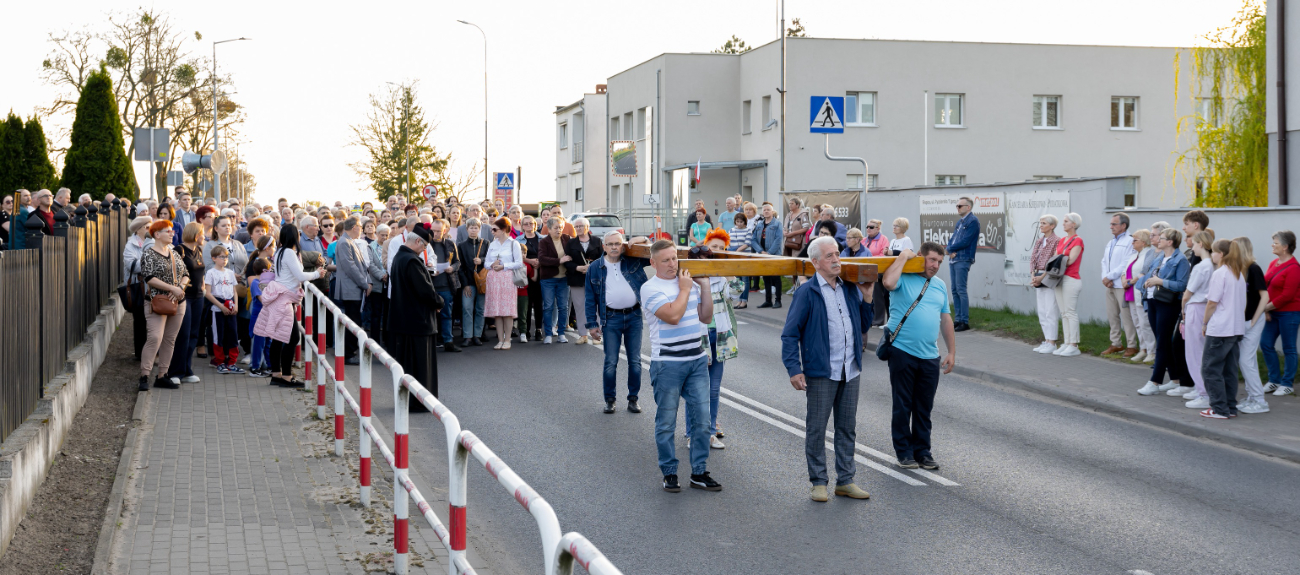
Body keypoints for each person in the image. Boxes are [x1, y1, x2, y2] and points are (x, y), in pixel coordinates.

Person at [782, 235, 874, 501]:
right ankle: (819, 481)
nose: (837, 260)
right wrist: (794, 369)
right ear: (815, 262)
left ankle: (845, 480)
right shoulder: (807, 292)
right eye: (830, 256)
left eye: (838, 254)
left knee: (847, 428)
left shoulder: (848, 288)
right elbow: (790, 335)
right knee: (817, 427)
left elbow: (863, 326)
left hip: (850, 369)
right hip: (822, 371)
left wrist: (867, 298)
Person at [640, 240, 721, 493]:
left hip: (696, 359)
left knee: (703, 420)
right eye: (665, 260)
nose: (672, 264)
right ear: (653, 263)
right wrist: (685, 289)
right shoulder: (649, 288)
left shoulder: (687, 282)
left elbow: (705, 317)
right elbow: (673, 316)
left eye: (674, 258)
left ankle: (699, 472)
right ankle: (670, 472)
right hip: (668, 363)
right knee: (666, 421)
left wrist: (704, 286)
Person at [881, 243, 956, 471]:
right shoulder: (903, 275)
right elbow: (888, 283)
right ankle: (904, 452)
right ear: (920, 257)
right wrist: (904, 256)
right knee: (903, 405)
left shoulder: (940, 285)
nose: (935, 266)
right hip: (902, 351)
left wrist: (951, 351)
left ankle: (923, 451)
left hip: (930, 356)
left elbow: (945, 319)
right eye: (932, 260)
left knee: (924, 407)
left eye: (939, 262)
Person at [685, 231, 743, 450]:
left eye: (719, 250)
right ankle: (692, 433)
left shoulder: (720, 277)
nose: (707, 260)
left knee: (713, 389)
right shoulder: (687, 279)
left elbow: (736, 292)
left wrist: (728, 272)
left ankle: (709, 432)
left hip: (719, 337)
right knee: (695, 388)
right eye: (712, 248)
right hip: (697, 337)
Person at [586, 232, 651, 414]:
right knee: (611, 361)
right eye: (610, 244)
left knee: (635, 361)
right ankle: (610, 399)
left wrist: (639, 240)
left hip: (634, 317)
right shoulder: (595, 268)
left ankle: (633, 399)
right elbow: (590, 298)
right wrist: (592, 324)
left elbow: (654, 251)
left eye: (618, 244)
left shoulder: (632, 260)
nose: (614, 247)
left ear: (622, 246)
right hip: (611, 319)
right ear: (604, 247)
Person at [256, 224, 321, 388]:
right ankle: (286, 376)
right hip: (284, 297)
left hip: (280, 296)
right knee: (292, 338)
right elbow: (299, 275)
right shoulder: (290, 253)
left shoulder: (279, 252)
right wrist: (317, 274)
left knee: (278, 337)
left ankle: (276, 374)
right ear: (295, 237)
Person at [389, 223, 445, 401]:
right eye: (424, 246)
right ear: (418, 241)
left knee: (408, 365)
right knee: (419, 366)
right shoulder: (412, 261)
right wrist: (439, 301)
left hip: (405, 321)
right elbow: (425, 291)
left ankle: (410, 400)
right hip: (417, 322)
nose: (423, 251)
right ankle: (420, 402)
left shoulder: (400, 256)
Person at [1198, 239, 1249, 419]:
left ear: (1221, 254)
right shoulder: (1239, 274)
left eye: (1213, 251)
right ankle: (1230, 407)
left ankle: (1219, 409)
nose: (1211, 254)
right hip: (1235, 328)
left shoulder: (1220, 273)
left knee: (1210, 369)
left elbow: (1212, 302)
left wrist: (1204, 323)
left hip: (1220, 328)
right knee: (1229, 370)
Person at [1137, 229, 1190, 396]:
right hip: (1152, 301)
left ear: (1170, 242)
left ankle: (1155, 381)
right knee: (1163, 342)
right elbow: (1149, 275)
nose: (1158, 240)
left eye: (1162, 238)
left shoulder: (1180, 260)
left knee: (1162, 342)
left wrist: (1160, 281)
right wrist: (1145, 283)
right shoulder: (1160, 257)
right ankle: (1175, 379)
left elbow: (1182, 285)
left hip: (1167, 303)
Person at [139, 220, 190, 391]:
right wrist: (172, 288)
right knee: (155, 337)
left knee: (170, 339)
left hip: (178, 302)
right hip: (156, 301)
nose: (172, 233)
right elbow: (148, 277)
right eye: (168, 231)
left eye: (172, 231)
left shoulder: (174, 253)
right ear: (157, 234)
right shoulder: (148, 254)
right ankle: (144, 375)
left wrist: (180, 288)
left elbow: (186, 274)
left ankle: (162, 375)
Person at [163, 223, 208, 386]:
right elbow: (172, 273)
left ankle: (187, 369)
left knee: (194, 335)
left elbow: (200, 271)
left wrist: (202, 285)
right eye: (202, 234)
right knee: (183, 334)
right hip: (184, 297)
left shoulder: (199, 250)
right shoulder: (179, 250)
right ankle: (175, 371)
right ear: (196, 235)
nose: (204, 237)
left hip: (198, 297)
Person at [1179, 231, 1217, 405]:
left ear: (1201, 244)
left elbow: (1188, 294)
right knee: (1202, 351)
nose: (1192, 247)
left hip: (1195, 307)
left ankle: (1203, 393)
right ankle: (1202, 389)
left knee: (1194, 353)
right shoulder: (1213, 265)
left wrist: (1183, 312)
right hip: (1204, 308)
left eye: (1194, 243)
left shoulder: (1201, 266)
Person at [1261, 230, 1299, 397]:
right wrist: (1267, 309)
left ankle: (1287, 383)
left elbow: (1287, 295)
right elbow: (1266, 286)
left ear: (1285, 247)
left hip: (1289, 313)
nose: (1272, 245)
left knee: (1289, 348)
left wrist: (1266, 308)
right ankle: (1274, 380)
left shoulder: (1294, 268)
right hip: (1272, 312)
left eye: (1275, 243)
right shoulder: (1273, 263)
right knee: (1266, 344)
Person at [332, 217, 371, 364]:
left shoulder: (349, 241)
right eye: (360, 226)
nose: (361, 229)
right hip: (351, 288)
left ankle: (350, 351)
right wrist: (364, 284)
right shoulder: (344, 242)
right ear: (354, 227)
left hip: (354, 287)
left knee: (354, 320)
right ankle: (349, 354)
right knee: (353, 321)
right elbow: (350, 267)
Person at [1100, 213, 1138, 357]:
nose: (1111, 227)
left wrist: (1109, 276)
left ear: (1123, 225)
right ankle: (1116, 343)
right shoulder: (1111, 242)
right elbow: (1104, 261)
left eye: (1114, 224)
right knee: (1112, 315)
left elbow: (1126, 263)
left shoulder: (1130, 241)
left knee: (1126, 316)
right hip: (1109, 285)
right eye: (1111, 224)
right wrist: (1105, 278)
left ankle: (1132, 345)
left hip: (1121, 285)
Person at [484, 217, 524, 349]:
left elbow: (519, 262)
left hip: (507, 279)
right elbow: (486, 263)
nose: (492, 232)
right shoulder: (492, 244)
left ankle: (508, 340)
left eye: (495, 229)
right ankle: (500, 340)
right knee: (497, 310)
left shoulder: (514, 243)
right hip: (494, 279)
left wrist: (504, 266)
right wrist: (492, 264)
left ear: (503, 229)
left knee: (507, 310)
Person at [204, 245, 244, 374]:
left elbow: (234, 291)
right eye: (221, 257)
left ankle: (232, 362)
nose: (224, 259)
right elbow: (208, 293)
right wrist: (221, 306)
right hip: (218, 307)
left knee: (233, 333)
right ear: (214, 258)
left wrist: (236, 305)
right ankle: (219, 361)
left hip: (231, 305)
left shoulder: (230, 272)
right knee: (218, 334)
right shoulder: (210, 273)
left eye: (226, 257)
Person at [1121, 230, 1158, 364]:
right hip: (1130, 292)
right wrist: (1124, 280)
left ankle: (1151, 351)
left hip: (1139, 291)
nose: (1132, 242)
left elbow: (1145, 271)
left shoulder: (1149, 253)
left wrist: (1131, 281)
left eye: (1135, 240)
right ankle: (1143, 349)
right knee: (1137, 323)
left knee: (1145, 323)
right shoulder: (1134, 255)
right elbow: (1125, 270)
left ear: (1143, 242)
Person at [1051, 213, 1085, 357]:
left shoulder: (1078, 240)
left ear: (1074, 224)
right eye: (1063, 221)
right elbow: (1055, 258)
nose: (1063, 224)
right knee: (1063, 312)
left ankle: (1074, 344)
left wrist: (1059, 259)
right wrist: (1059, 259)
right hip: (1059, 278)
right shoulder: (1062, 240)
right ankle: (1066, 342)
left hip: (1071, 278)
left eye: (1066, 221)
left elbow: (1070, 261)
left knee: (1070, 312)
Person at [565, 217, 603, 344]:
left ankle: (597, 335)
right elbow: (567, 262)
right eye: (576, 226)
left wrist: (591, 268)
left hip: (595, 279)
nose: (578, 228)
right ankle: (583, 334)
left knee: (596, 306)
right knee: (579, 306)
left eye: (581, 226)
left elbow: (603, 259)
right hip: (577, 278)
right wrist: (578, 268)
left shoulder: (597, 241)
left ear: (587, 227)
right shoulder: (571, 243)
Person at [946, 196, 980, 331]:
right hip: (954, 258)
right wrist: (949, 249)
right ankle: (958, 319)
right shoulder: (960, 222)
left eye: (960, 206)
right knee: (954, 290)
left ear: (968, 207)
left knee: (961, 289)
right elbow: (953, 238)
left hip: (963, 258)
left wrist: (951, 249)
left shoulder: (973, 221)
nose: (958, 208)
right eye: (957, 206)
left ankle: (964, 321)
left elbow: (966, 241)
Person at [538, 217, 574, 344]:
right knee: (548, 307)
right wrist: (559, 261)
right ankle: (548, 334)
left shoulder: (567, 239)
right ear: (549, 229)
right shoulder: (544, 242)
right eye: (556, 228)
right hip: (548, 279)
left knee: (563, 307)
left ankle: (561, 334)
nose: (559, 230)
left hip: (563, 279)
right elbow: (542, 259)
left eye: (560, 227)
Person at [1029, 215, 1062, 353]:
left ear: (1052, 226)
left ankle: (1052, 342)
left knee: (1050, 310)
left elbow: (1054, 260)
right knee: (1042, 310)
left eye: (1044, 223)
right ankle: (1046, 339)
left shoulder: (1057, 241)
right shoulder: (1039, 241)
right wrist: (1033, 274)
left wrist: (1042, 276)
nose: (1041, 225)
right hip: (1037, 275)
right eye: (1040, 223)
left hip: (1048, 276)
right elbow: (1032, 258)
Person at [124, 216, 155, 359]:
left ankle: (155, 351)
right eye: (147, 227)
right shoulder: (130, 245)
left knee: (155, 320)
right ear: (138, 230)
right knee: (140, 320)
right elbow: (131, 265)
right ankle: (140, 354)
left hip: (154, 286)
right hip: (139, 286)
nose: (150, 230)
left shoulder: (154, 241)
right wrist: (149, 262)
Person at [428, 219, 461, 352]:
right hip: (430, 285)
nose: (435, 233)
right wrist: (430, 269)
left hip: (446, 285)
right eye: (433, 231)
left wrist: (452, 268)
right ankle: (431, 342)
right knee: (430, 315)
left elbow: (458, 262)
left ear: (445, 231)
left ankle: (448, 341)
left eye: (438, 231)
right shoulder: (426, 245)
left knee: (447, 314)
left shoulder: (450, 244)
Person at [457, 218, 489, 346]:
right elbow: (460, 267)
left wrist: (482, 260)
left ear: (479, 229)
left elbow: (492, 259)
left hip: (482, 282)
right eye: (471, 228)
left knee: (480, 309)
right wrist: (465, 285)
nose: (473, 230)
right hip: (468, 282)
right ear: (467, 229)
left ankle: (477, 335)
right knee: (467, 308)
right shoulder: (461, 246)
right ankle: (467, 336)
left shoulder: (486, 243)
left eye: (476, 228)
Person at [246, 254, 275, 377]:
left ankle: (269, 366)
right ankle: (255, 367)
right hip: (259, 317)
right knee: (259, 343)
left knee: (268, 342)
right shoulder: (256, 283)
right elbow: (263, 300)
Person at [751, 202, 783, 308]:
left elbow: (778, 239)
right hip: (762, 255)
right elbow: (753, 239)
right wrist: (761, 251)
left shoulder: (777, 224)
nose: (766, 211)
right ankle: (768, 300)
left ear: (772, 212)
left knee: (776, 277)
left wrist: (769, 253)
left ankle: (778, 300)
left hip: (774, 255)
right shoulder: (759, 224)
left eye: (768, 210)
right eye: (764, 210)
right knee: (766, 278)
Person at [783, 197, 811, 288]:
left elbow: (806, 228)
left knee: (798, 263)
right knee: (791, 263)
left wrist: (793, 233)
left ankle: (800, 284)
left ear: (797, 205)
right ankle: (793, 285)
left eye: (792, 203)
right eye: (789, 203)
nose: (789, 205)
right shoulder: (788, 215)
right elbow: (784, 227)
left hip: (798, 244)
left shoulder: (803, 214)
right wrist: (785, 232)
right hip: (788, 243)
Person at [728, 213, 752, 309]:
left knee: (745, 279)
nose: (739, 224)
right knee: (737, 279)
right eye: (737, 221)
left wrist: (737, 251)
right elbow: (728, 242)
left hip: (744, 256)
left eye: (741, 222)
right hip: (734, 257)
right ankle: (739, 300)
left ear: (744, 222)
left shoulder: (748, 230)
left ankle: (744, 301)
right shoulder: (731, 230)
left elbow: (747, 243)